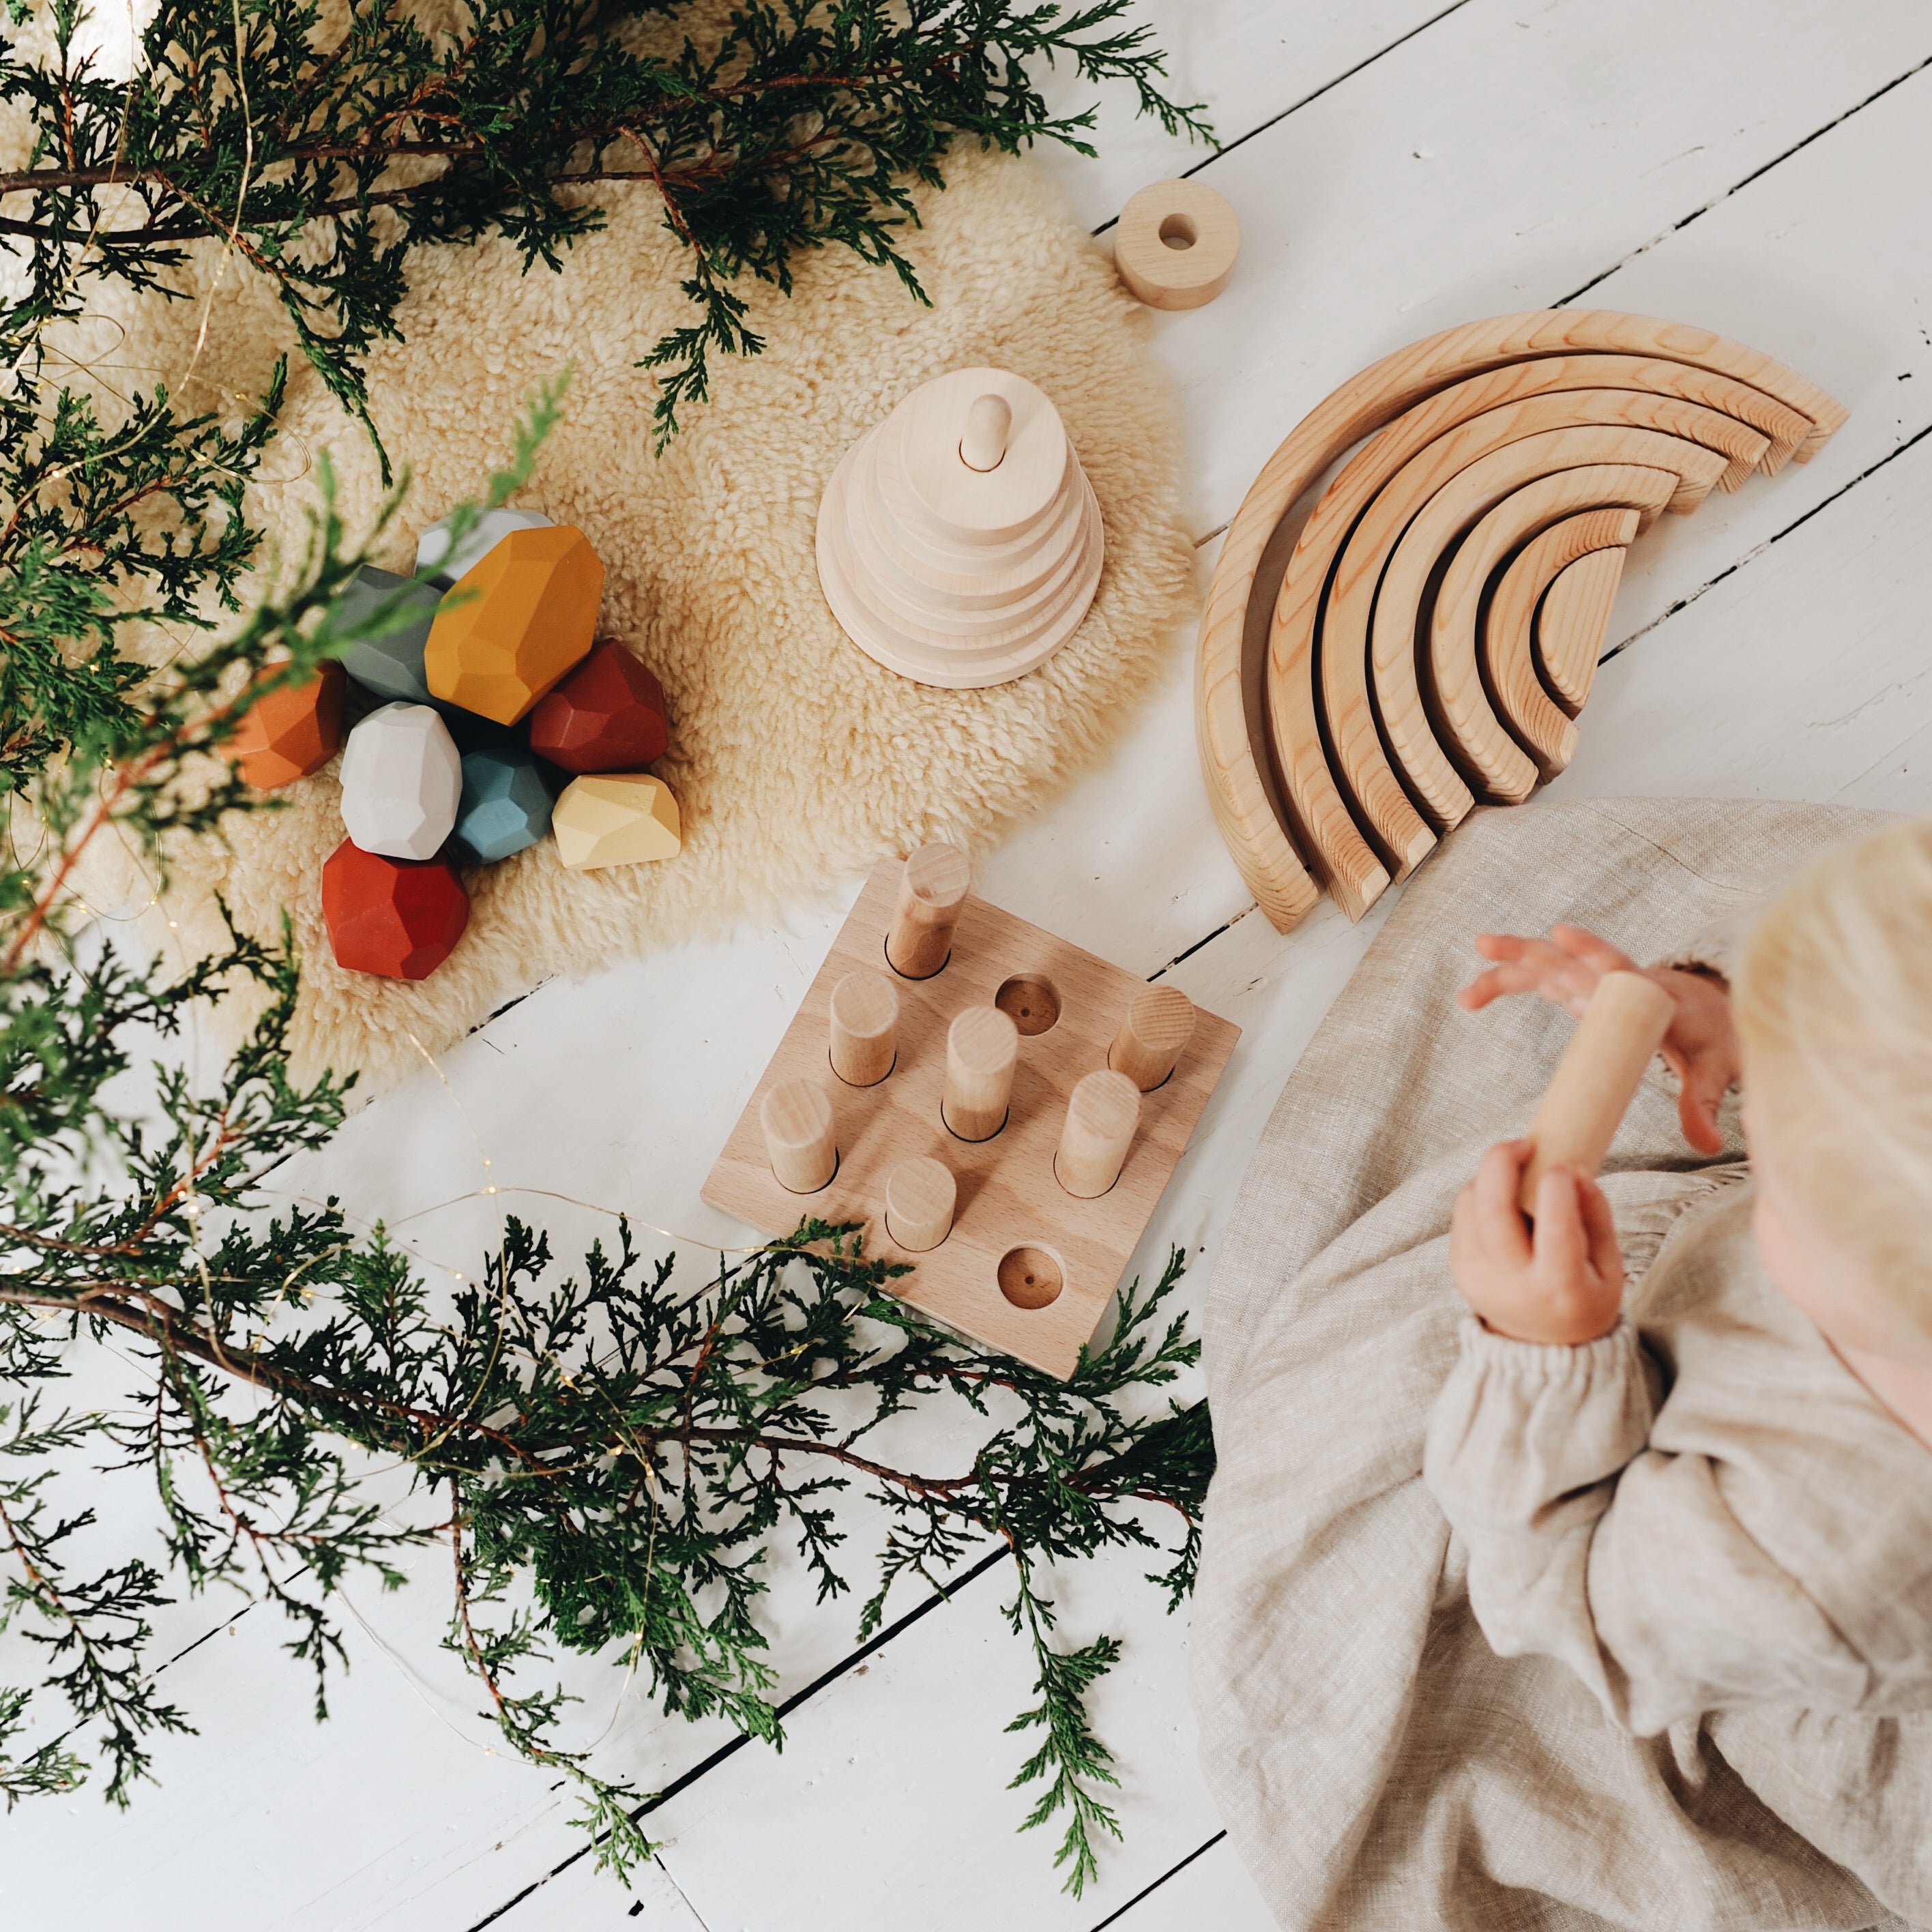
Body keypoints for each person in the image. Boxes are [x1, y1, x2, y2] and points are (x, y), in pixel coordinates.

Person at [1427, 818, 1932, 1740]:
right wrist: (1745, 1033)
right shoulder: (1898, 1261)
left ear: (1841, 1273)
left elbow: (1557, 1597)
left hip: (1679, 1605)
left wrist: (1543, 1352)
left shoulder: (1807, 1565)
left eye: (1774, 1160)